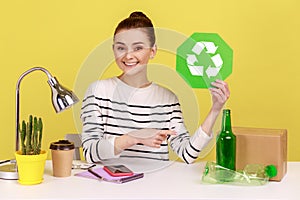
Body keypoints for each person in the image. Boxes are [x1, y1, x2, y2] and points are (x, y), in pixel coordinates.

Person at [80, 11, 230, 164]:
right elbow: (90, 152)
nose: (128, 56)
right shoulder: (98, 91)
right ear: (113, 50)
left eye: (137, 48)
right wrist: (133, 138)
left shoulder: (168, 99)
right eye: (121, 48)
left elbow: (187, 154)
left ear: (152, 51)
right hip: (109, 185)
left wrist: (215, 109)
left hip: (155, 185)